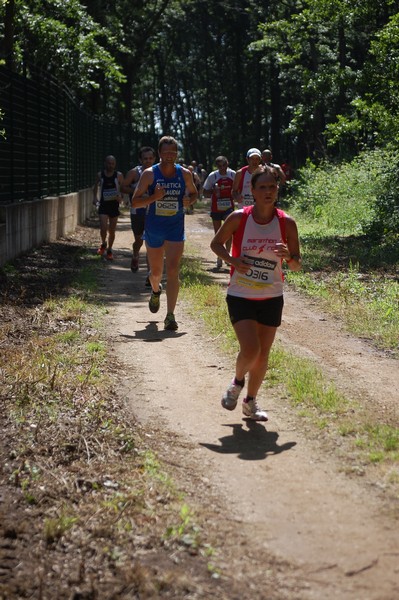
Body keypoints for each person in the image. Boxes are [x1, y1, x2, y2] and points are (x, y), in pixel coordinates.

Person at [210, 166, 302, 421]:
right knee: (251, 349)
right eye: (262, 187)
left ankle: (250, 402)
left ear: (277, 189)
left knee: (263, 354)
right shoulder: (239, 218)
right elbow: (215, 244)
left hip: (272, 296)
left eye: (272, 187)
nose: (268, 192)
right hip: (241, 294)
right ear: (252, 190)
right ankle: (237, 383)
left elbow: (296, 264)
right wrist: (232, 260)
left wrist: (288, 258)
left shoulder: (287, 222)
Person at [132, 135, 198, 331]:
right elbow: (135, 202)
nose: (170, 156)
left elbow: (194, 193)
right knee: (156, 273)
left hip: (175, 227)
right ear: (159, 153)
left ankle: (170, 316)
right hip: (154, 227)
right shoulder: (149, 175)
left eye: (173, 152)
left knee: (173, 270)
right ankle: (155, 290)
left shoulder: (184, 174)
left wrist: (190, 201)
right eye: (166, 152)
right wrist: (154, 197)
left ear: (177, 153)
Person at [121, 146, 156, 273]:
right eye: (145, 158)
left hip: (153, 211)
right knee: (139, 240)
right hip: (138, 211)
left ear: (155, 159)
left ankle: (149, 273)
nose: (148, 161)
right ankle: (135, 254)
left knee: (150, 242)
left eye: (151, 158)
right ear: (140, 159)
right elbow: (123, 187)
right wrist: (137, 192)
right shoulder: (134, 173)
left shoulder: (158, 172)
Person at [203, 156, 236, 269]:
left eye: (224, 165)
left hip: (229, 207)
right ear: (216, 166)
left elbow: (238, 189)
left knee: (229, 232)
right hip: (216, 208)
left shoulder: (233, 174)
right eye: (219, 166)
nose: (222, 168)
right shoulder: (213, 176)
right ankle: (219, 257)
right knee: (218, 233)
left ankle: (227, 255)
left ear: (227, 164)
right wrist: (214, 190)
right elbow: (205, 192)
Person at [92, 155, 124, 260]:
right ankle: (103, 243)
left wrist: (121, 197)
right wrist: (95, 198)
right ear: (105, 163)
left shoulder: (118, 175)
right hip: (103, 205)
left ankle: (109, 249)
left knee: (112, 230)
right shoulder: (100, 175)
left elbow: (123, 188)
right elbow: (95, 186)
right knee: (103, 228)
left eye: (112, 163)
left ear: (115, 164)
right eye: (108, 163)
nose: (110, 165)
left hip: (114, 206)